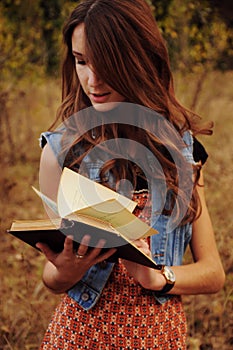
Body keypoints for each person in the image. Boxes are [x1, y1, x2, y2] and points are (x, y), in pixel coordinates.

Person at [37, 0, 225, 348]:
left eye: (106, 65)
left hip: (160, 337)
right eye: (81, 62)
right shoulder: (60, 152)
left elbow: (213, 273)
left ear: (136, 60)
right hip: (80, 336)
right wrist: (66, 270)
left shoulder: (181, 150)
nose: (92, 81)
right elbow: (53, 279)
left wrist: (160, 278)